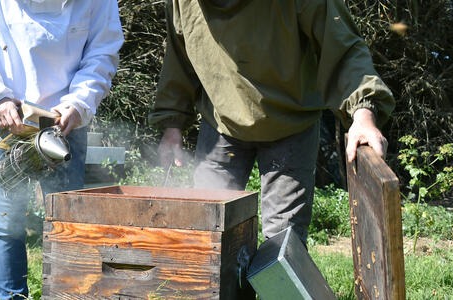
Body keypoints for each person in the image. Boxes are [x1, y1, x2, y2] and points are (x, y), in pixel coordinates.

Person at [149, 0, 395, 244]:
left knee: (281, 245)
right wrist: (172, 124)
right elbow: (178, 55)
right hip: (221, 123)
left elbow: (344, 50)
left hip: (291, 124)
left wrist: (364, 112)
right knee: (207, 237)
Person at [0, 0, 123, 299]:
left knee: (67, 219)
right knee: (7, 219)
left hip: (62, 120)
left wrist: (79, 103)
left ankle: (67, 295)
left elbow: (102, 53)